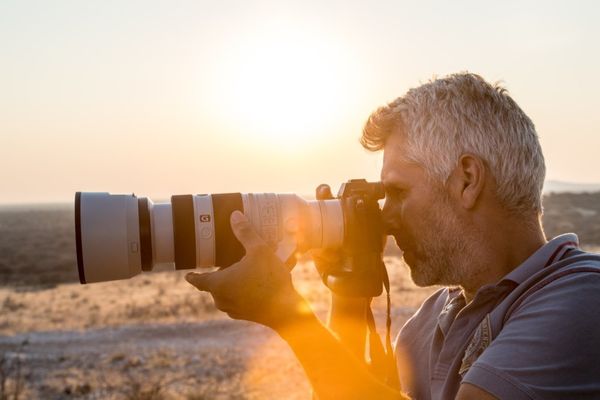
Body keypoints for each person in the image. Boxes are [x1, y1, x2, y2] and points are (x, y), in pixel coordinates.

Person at [185, 73, 600, 399]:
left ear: (467, 180)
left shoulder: (582, 297)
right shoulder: (426, 325)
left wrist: (289, 317)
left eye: (397, 192)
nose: (386, 218)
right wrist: (348, 294)